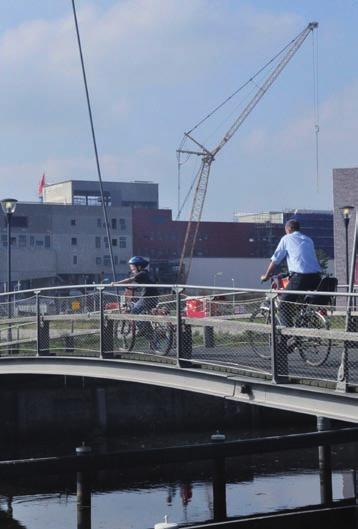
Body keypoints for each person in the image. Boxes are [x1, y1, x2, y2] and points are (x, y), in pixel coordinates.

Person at [261, 218, 321, 329]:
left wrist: (266, 275)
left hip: (301, 277)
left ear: (289, 229)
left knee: (284, 304)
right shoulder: (308, 239)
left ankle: (288, 336)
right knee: (298, 303)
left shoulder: (287, 238)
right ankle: (301, 327)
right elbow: (303, 260)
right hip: (316, 278)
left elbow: (275, 260)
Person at [112, 256, 158, 335]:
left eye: (133, 268)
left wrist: (116, 283)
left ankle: (143, 329)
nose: (132, 270)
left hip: (146, 299)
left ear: (139, 266)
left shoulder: (141, 273)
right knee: (143, 314)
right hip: (154, 298)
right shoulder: (147, 273)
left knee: (132, 313)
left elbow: (130, 280)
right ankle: (149, 333)